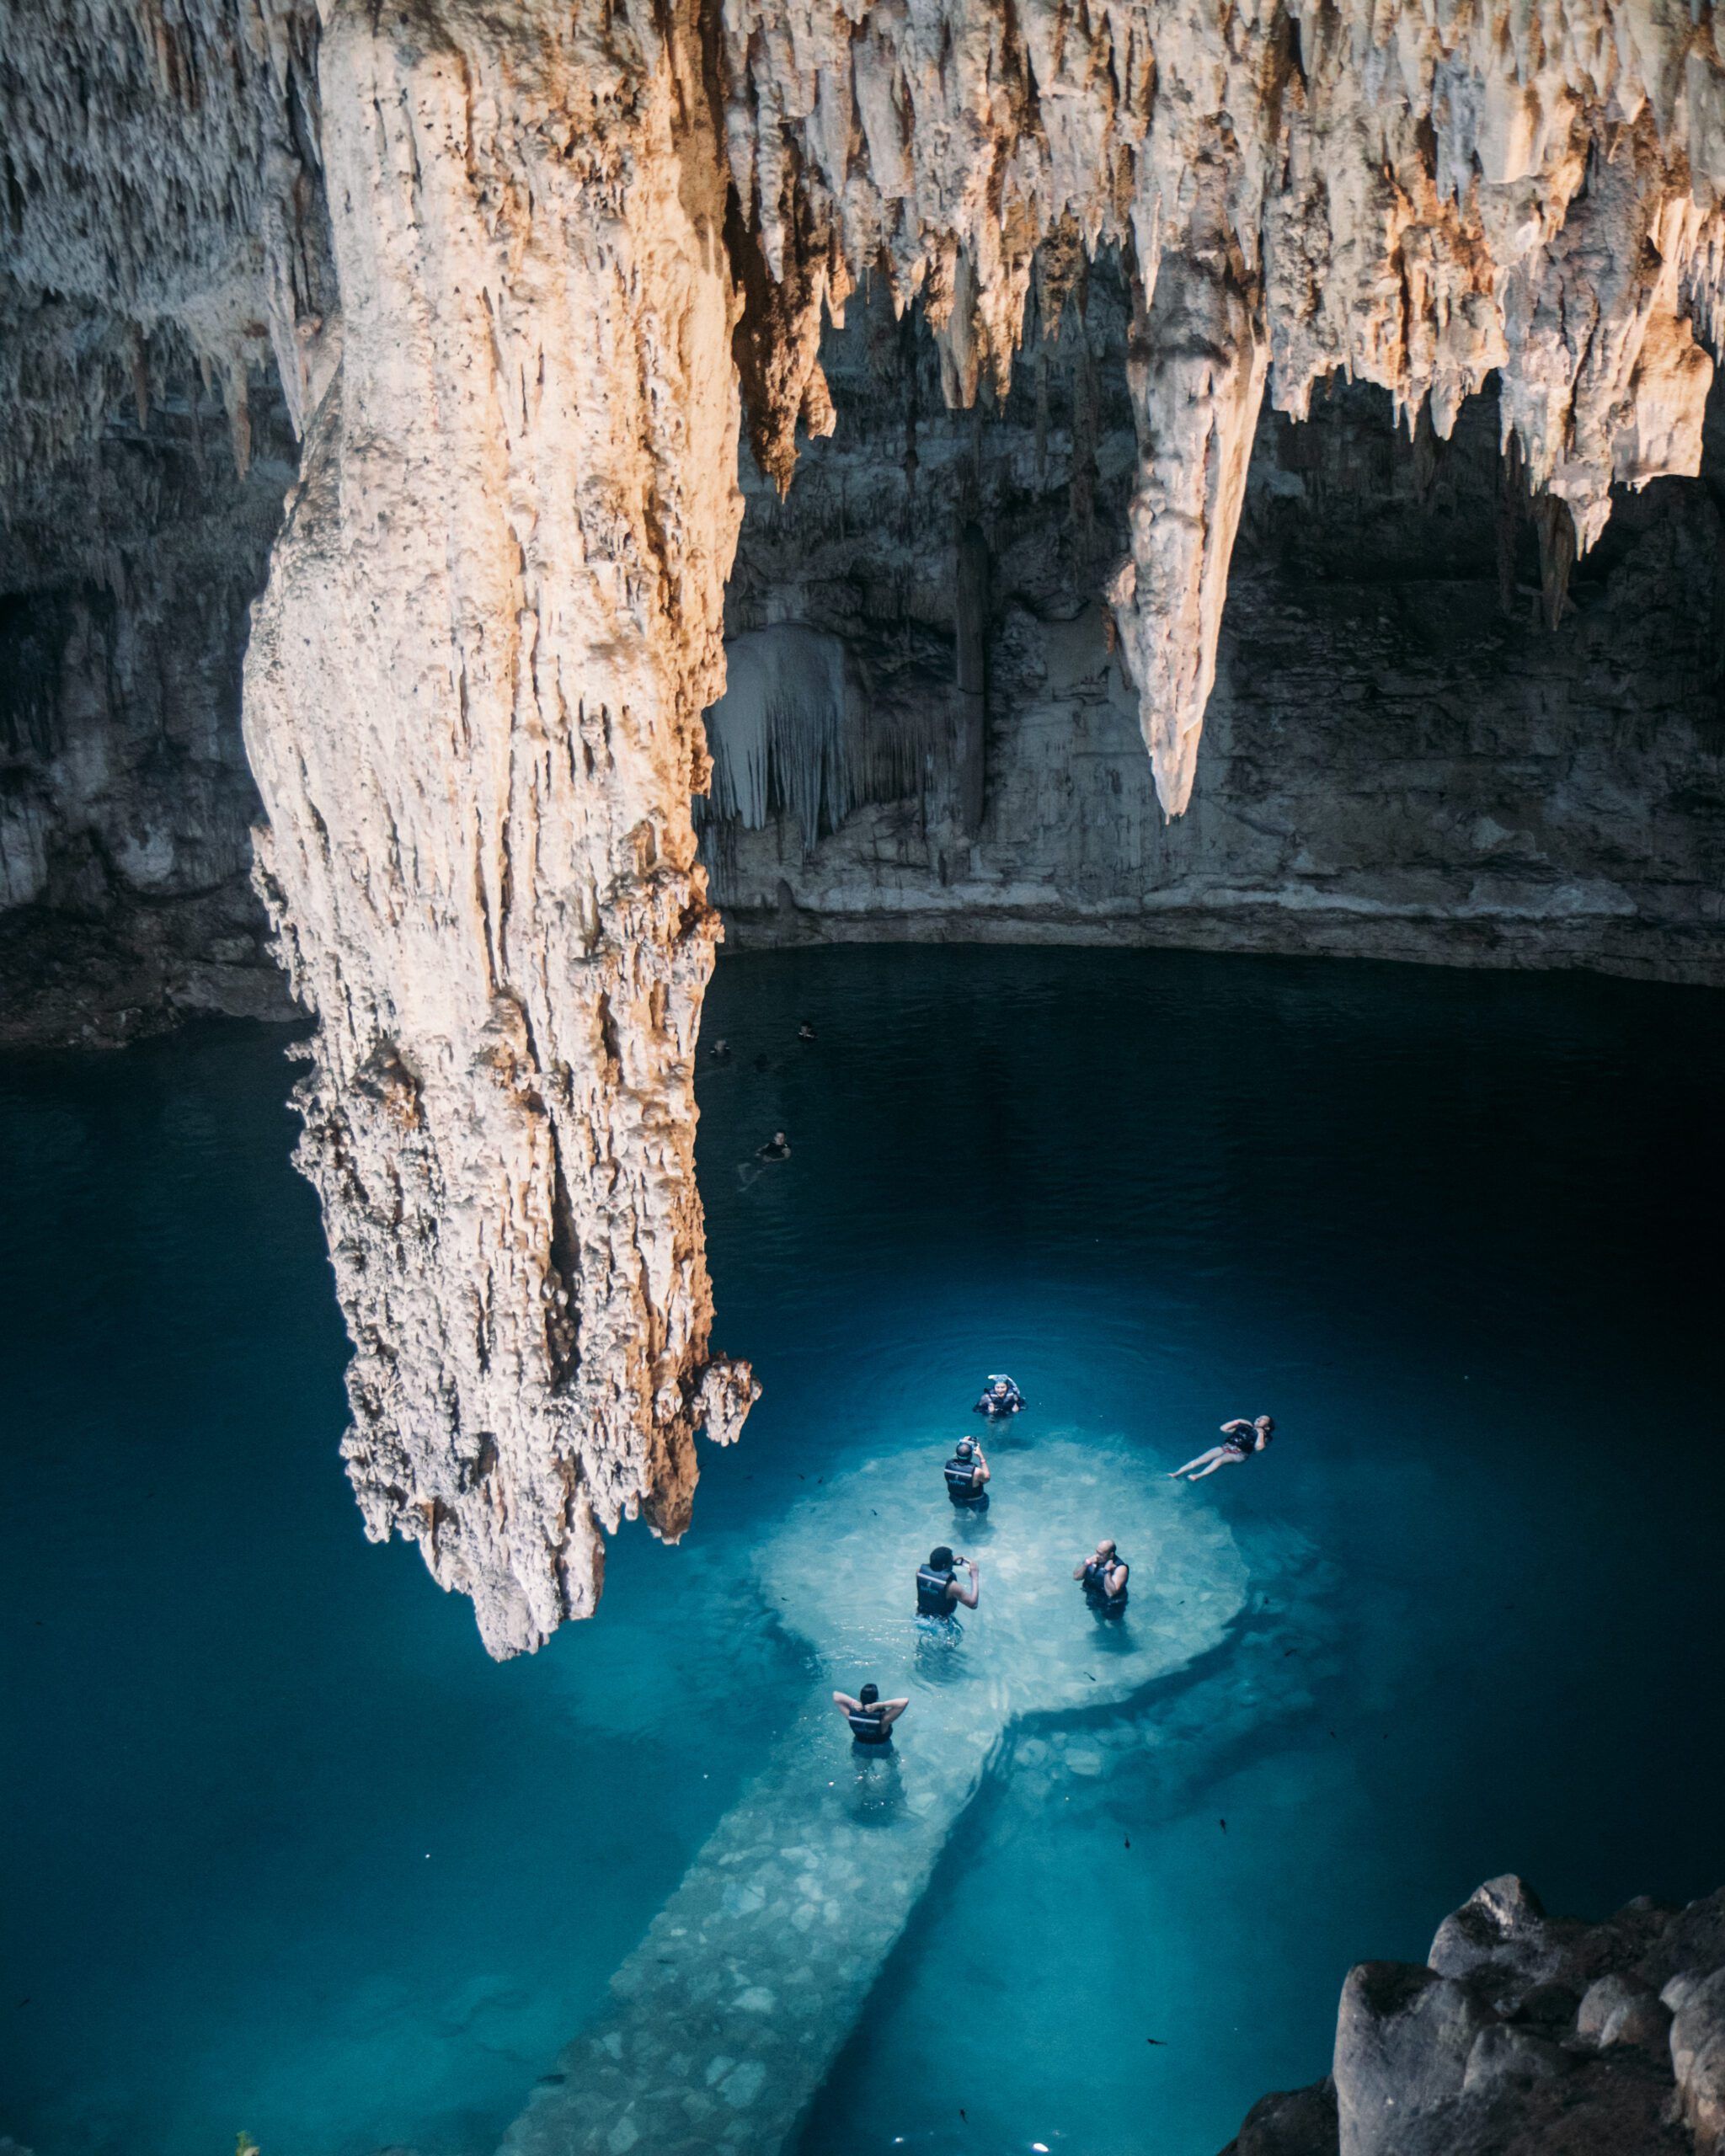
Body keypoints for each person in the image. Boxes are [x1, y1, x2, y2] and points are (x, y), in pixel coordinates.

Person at [1169, 1415, 1276, 1482]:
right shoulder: (1245, 1426)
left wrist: (1261, 1433)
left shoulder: (1265, 1436)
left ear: (1267, 1426)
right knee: (1201, 1460)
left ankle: (1199, 1475)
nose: (1259, 1419)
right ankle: (1177, 1474)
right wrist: (1236, 1421)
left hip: (1239, 1454)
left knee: (1219, 1460)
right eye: (1259, 1417)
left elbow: (1259, 1448)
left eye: (1263, 1419)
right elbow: (1223, 1429)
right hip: (1225, 1447)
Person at [832, 1680, 908, 1748]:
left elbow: (836, 1696)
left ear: (860, 1698)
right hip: (882, 1747)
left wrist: (853, 1702)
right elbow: (903, 1702)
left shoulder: (851, 1716)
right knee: (892, 1759)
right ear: (876, 1699)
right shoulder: (883, 1719)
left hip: (860, 1747)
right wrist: (881, 1705)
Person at [916, 1545, 980, 1620]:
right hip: (942, 1623)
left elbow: (935, 1568)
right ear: (944, 1565)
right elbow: (973, 1604)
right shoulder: (952, 1586)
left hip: (920, 1616)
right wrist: (974, 1576)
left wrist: (949, 1562)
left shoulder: (919, 1573)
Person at [1074, 1538, 1130, 1613]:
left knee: (1114, 1622)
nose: (1097, 1556)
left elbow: (1111, 1593)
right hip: (1093, 1596)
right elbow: (1076, 1577)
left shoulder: (1120, 1569)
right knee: (1096, 1615)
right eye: (1097, 1552)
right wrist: (1086, 1564)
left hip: (1112, 1603)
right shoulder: (1093, 1560)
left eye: (1101, 1554)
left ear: (1111, 1555)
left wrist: (1107, 1571)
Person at [943, 1436, 991, 1509]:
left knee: (960, 1517)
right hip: (975, 1501)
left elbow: (957, 1454)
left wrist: (962, 1444)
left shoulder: (948, 1465)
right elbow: (987, 1478)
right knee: (981, 1520)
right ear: (971, 1455)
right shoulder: (976, 1472)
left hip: (957, 1499)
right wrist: (981, 1456)